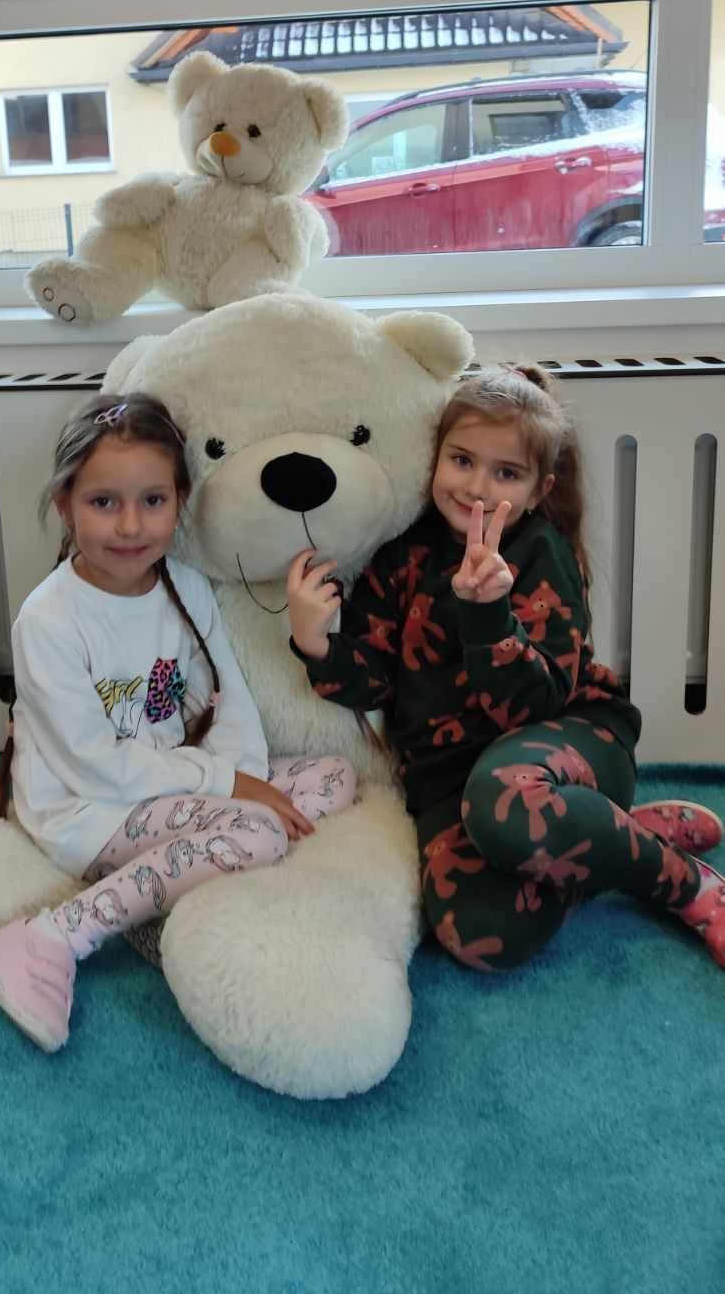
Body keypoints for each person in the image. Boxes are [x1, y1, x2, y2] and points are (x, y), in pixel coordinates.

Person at [286, 364, 725, 974]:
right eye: (462, 460)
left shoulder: (541, 551)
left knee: (507, 801)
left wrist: (488, 613)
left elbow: (534, 705)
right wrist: (314, 642)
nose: (477, 487)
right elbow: (377, 682)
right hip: (451, 781)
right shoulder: (402, 557)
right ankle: (615, 841)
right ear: (435, 458)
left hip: (571, 745)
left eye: (507, 473)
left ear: (540, 490)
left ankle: (684, 883)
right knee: (478, 935)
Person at [0, 393, 356, 1051]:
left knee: (334, 776)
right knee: (259, 832)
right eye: (104, 502)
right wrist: (233, 792)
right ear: (65, 504)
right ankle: (54, 934)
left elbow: (227, 699)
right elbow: (94, 765)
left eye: (152, 500)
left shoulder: (184, 584)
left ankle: (168, 887)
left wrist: (243, 777)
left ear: (179, 501)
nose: (130, 525)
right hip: (88, 805)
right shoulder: (48, 619)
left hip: (166, 780)